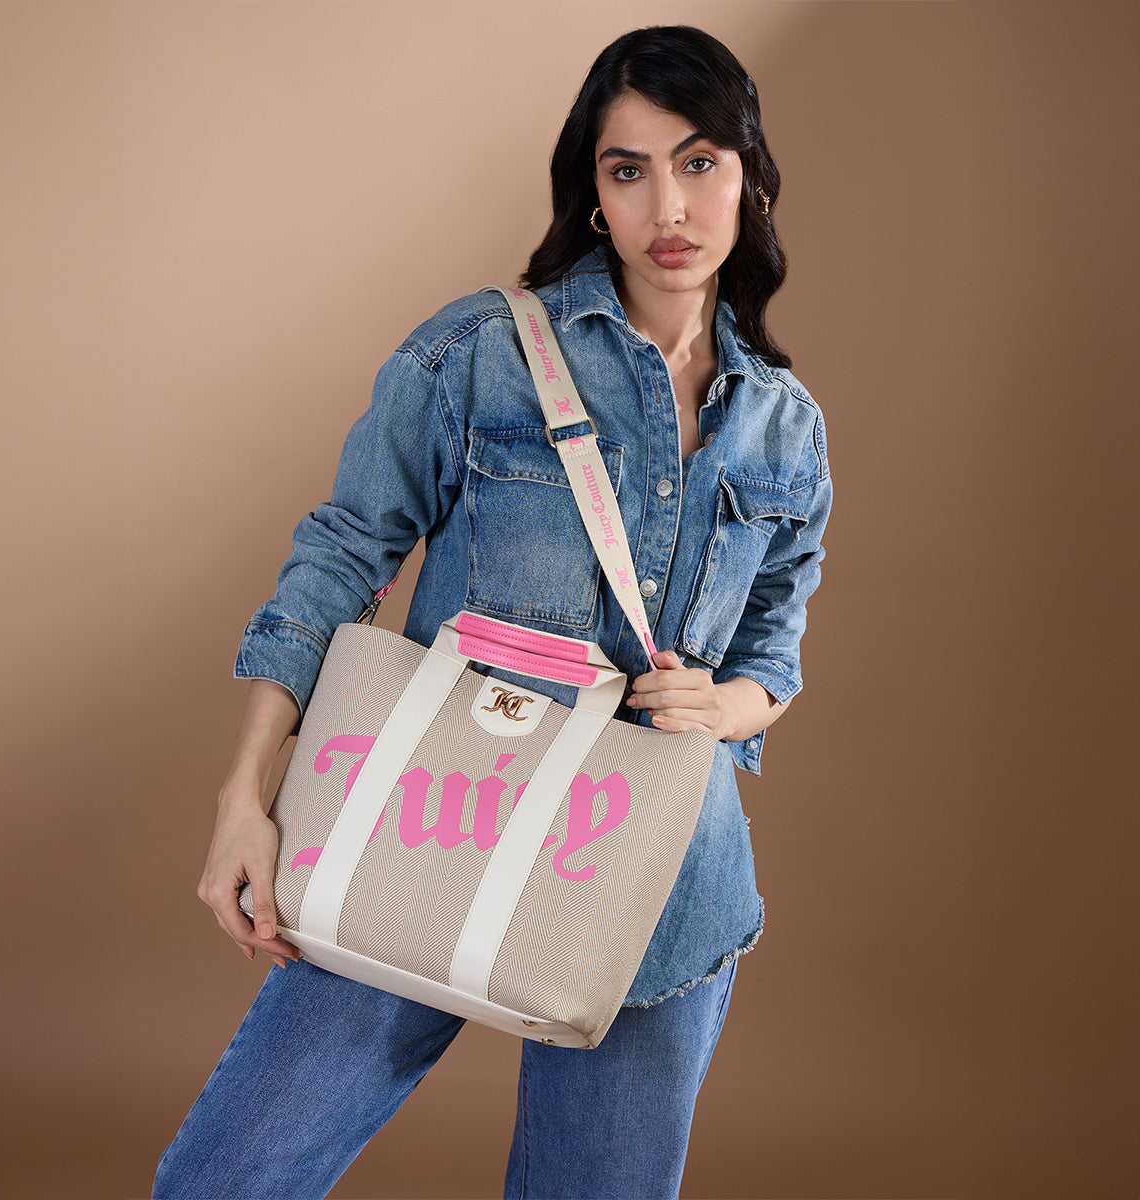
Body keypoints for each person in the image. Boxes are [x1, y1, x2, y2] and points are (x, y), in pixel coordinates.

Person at [154, 24, 832, 1200]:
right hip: (425, 826)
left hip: (654, 890)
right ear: (594, 196)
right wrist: (243, 799)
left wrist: (726, 705)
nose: (668, 205)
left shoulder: (788, 429)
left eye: (699, 162)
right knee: (225, 1179)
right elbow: (342, 556)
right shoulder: (481, 353)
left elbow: (775, 650)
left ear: (751, 178)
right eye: (629, 170)